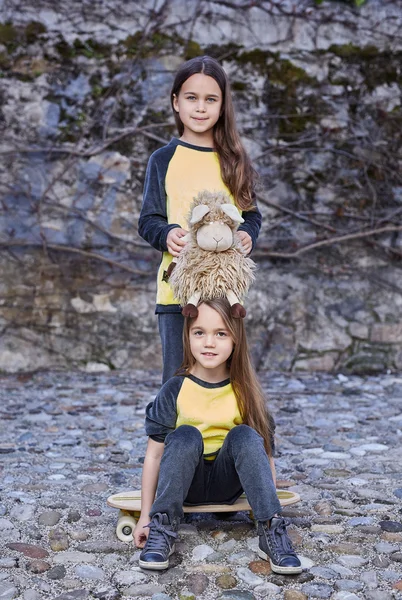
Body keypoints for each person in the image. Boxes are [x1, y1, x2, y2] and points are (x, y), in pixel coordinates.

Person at [133, 298, 302, 575]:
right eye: (199, 332)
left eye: (220, 333)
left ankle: (272, 533)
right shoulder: (175, 388)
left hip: (228, 483)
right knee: (185, 435)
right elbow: (153, 456)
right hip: (185, 486)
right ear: (187, 336)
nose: (209, 343)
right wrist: (145, 518)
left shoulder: (244, 390)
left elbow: (265, 455)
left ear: (236, 339)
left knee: (246, 435)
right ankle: (162, 529)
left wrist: (270, 509)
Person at [138, 55, 262, 384]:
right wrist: (165, 234)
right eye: (192, 98)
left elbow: (250, 214)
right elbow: (148, 219)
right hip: (176, 292)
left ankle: (232, 434)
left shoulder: (234, 160)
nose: (200, 107)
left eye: (211, 99)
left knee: (227, 377)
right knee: (177, 377)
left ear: (223, 106)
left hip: (225, 292)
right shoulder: (162, 160)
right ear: (176, 102)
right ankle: (169, 436)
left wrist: (249, 232)